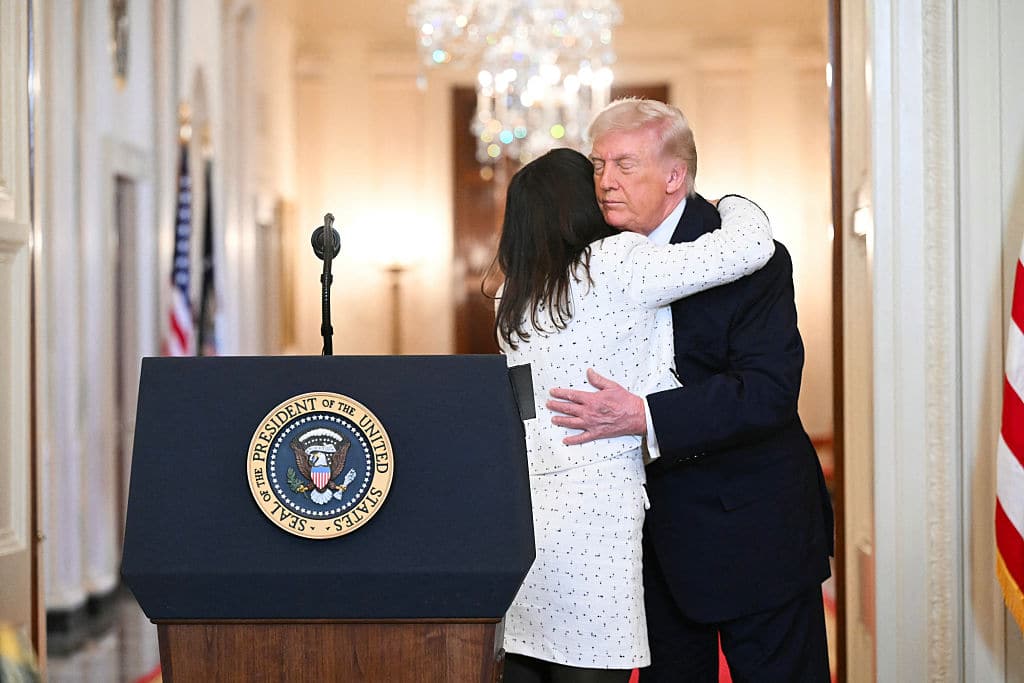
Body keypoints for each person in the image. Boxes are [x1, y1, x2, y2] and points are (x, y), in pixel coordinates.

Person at [547, 98, 834, 682]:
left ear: (675, 176)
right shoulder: (591, 261)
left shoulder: (753, 258)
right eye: (598, 165)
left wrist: (644, 415)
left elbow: (766, 391)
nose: (605, 183)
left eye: (624, 165)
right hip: (646, 548)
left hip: (755, 532)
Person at [491, 146, 774, 683]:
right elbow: (750, 247)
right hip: (597, 518)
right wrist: (733, 201)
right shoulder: (616, 262)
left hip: (527, 517)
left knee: (527, 667)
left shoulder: (511, 297)